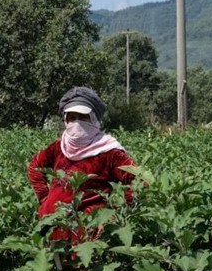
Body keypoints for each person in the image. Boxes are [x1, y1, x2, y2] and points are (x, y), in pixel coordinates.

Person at [28, 86, 137, 245]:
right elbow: (35, 167)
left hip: (87, 232)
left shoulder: (109, 152)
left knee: (82, 268)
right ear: (65, 120)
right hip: (52, 226)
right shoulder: (59, 147)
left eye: (82, 117)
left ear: (94, 119)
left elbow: (137, 181)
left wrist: (118, 215)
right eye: (72, 118)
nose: (76, 123)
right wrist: (45, 199)